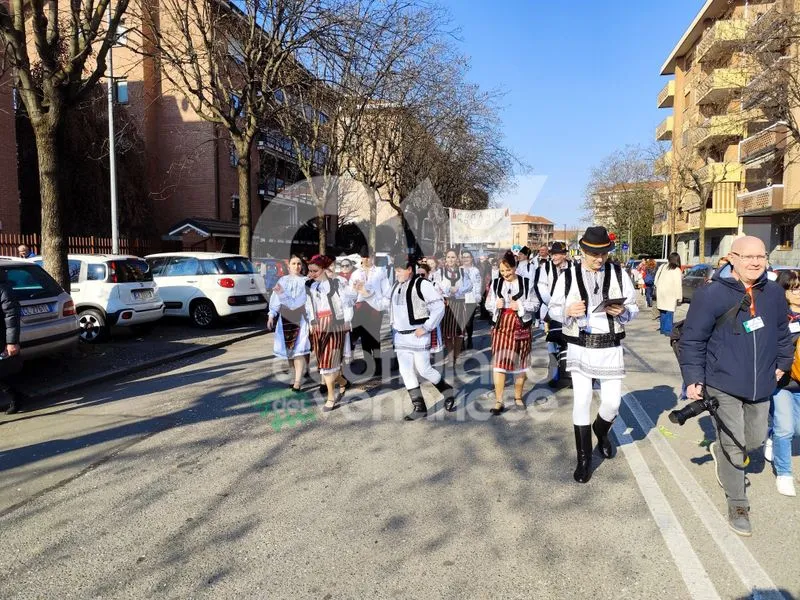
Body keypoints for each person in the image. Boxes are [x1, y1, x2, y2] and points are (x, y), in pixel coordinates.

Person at [679, 236, 793, 536]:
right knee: (734, 443)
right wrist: (694, 378)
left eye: (761, 256)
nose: (755, 262)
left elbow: (782, 332)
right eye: (748, 256)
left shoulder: (774, 294)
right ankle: (738, 503)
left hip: (763, 383)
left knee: (753, 441)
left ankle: (722, 450)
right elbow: (693, 340)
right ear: (732, 257)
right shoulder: (711, 294)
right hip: (722, 381)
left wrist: (782, 363)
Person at [549, 226, 639, 484]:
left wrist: (622, 312)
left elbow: (633, 306)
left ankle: (602, 433)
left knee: (612, 403)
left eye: (603, 254)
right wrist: (567, 309)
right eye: (593, 254)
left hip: (610, 346)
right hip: (579, 344)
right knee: (582, 401)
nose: (599, 259)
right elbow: (553, 308)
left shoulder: (618, 273)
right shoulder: (569, 275)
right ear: (583, 251)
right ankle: (584, 459)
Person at [390, 254, 456, 420]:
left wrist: (427, 327)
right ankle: (419, 407)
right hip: (401, 336)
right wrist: (365, 293)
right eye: (396, 270)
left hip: (417, 335)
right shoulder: (395, 286)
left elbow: (439, 306)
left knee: (424, 369)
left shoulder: (422, 284)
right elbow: (385, 305)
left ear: (409, 270)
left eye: (399, 270)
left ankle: (447, 391)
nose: (397, 274)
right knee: (406, 371)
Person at [485, 251, 540, 414]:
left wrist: (521, 306)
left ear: (515, 267)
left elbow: (536, 304)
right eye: (502, 271)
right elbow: (488, 304)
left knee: (520, 364)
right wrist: (496, 304)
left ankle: (518, 397)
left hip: (521, 326)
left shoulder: (526, 283)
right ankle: (499, 401)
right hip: (501, 326)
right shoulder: (495, 284)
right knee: (499, 365)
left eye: (508, 270)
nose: (505, 274)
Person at [305, 255, 357, 412]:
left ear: (323, 270)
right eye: (310, 270)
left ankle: (330, 398)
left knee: (329, 363)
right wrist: (311, 323)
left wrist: (347, 320)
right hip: (319, 326)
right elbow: (309, 307)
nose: (311, 274)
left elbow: (350, 300)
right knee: (323, 363)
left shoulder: (337, 283)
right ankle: (342, 382)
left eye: (314, 271)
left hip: (335, 324)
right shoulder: (310, 286)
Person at [766, 269, 800, 497]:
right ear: (784, 291)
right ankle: (785, 473)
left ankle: (771, 434)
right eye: (794, 288)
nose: (799, 292)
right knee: (786, 428)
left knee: (796, 429)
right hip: (784, 383)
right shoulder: (778, 316)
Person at [267, 255, 310, 393]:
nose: (296, 266)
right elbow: (276, 300)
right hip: (285, 319)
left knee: (299, 352)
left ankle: (298, 381)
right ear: (289, 265)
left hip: (301, 319)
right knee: (290, 352)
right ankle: (293, 377)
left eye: (299, 263)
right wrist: (271, 315)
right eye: (294, 263)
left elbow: (310, 303)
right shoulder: (283, 281)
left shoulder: (306, 281)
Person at [349, 247, 390, 377]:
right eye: (364, 256)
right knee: (363, 337)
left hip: (375, 307)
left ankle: (378, 365)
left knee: (374, 336)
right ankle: (368, 365)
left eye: (369, 256)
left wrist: (383, 304)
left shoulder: (380, 271)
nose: (366, 259)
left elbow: (386, 290)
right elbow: (350, 293)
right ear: (361, 257)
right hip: (360, 308)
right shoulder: (355, 273)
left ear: (373, 256)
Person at [536, 242, 572, 388]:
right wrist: (553, 303)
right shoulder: (546, 267)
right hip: (551, 309)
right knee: (552, 342)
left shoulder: (573, 267)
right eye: (553, 254)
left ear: (564, 255)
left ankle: (569, 374)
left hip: (570, 309)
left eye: (557, 254)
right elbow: (541, 286)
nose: (554, 257)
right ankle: (554, 374)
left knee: (570, 340)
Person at [437, 249, 472, 368]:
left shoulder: (463, 272)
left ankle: (457, 356)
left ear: (457, 258)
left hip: (460, 303)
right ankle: (451, 357)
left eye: (453, 257)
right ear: (445, 259)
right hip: (446, 304)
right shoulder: (440, 272)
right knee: (447, 332)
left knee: (458, 332)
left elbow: (469, 286)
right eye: (448, 257)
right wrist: (447, 291)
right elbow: (436, 286)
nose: (450, 259)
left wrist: (458, 290)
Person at [0, 270, 21, 414]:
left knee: (2, 373)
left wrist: (12, 342)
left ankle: (16, 397)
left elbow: (11, 315)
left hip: (0, 336)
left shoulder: (2, 288)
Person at [654, 252, 683, 336]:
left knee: (663, 311)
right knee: (669, 312)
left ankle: (663, 329)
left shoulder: (662, 266)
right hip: (671, 293)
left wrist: (658, 287)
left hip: (661, 292)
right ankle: (667, 330)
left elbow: (656, 279)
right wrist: (679, 297)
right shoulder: (676, 270)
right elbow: (678, 285)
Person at [459, 250, 482, 349]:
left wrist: (477, 297)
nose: (465, 259)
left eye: (467, 257)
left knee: (469, 322)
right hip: (459, 299)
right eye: (464, 257)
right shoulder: (458, 269)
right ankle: (461, 340)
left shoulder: (475, 270)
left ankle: (469, 338)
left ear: (471, 258)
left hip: (470, 298)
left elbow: (478, 284)